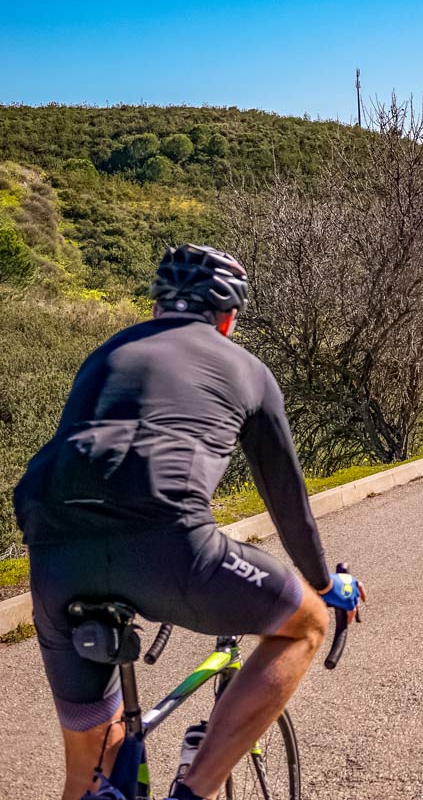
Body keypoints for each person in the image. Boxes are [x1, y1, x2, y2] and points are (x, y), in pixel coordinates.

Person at [13, 244, 365, 800]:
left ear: (156, 307)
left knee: (88, 776)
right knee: (306, 623)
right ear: (227, 317)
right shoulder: (248, 370)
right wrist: (324, 585)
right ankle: (196, 787)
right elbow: (289, 506)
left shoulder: (107, 353)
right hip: (170, 543)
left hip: (54, 549)